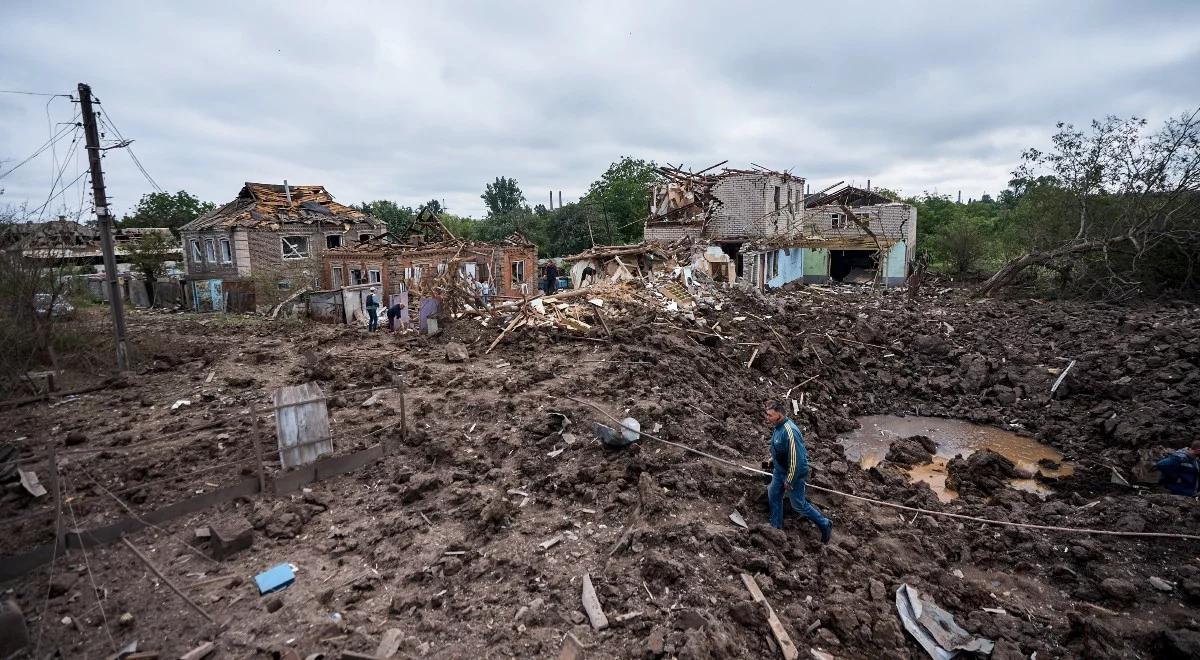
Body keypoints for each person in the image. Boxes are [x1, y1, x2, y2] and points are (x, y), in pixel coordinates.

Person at [764, 401, 832, 543]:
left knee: (798, 505)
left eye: (770, 415)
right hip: (780, 470)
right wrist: (773, 458)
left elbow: (797, 460)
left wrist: (790, 479)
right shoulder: (778, 426)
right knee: (773, 494)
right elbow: (781, 447)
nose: (767, 417)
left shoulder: (790, 432)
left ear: (779, 414)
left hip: (794, 473)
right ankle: (776, 528)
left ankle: (825, 524)